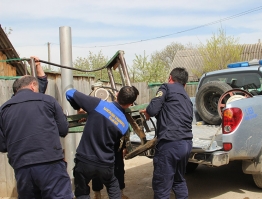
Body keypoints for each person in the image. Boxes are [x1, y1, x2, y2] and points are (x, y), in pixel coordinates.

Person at [0, 75, 73, 199]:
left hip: (22, 167)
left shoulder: (4, 109)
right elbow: (63, 130)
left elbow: (2, 145)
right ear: (33, 86)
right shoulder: (48, 101)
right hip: (50, 163)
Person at [66, 86, 139, 199]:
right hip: (105, 164)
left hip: (85, 161)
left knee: (82, 190)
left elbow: (69, 93)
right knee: (113, 186)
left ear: (117, 94)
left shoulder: (98, 104)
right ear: (130, 104)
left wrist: (79, 107)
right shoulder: (124, 125)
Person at [140, 67, 193, 199]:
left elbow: (152, 110)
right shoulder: (187, 98)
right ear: (185, 84)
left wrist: (147, 111)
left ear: (170, 78)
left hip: (170, 144)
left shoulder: (166, 87)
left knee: (162, 187)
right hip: (186, 144)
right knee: (179, 181)